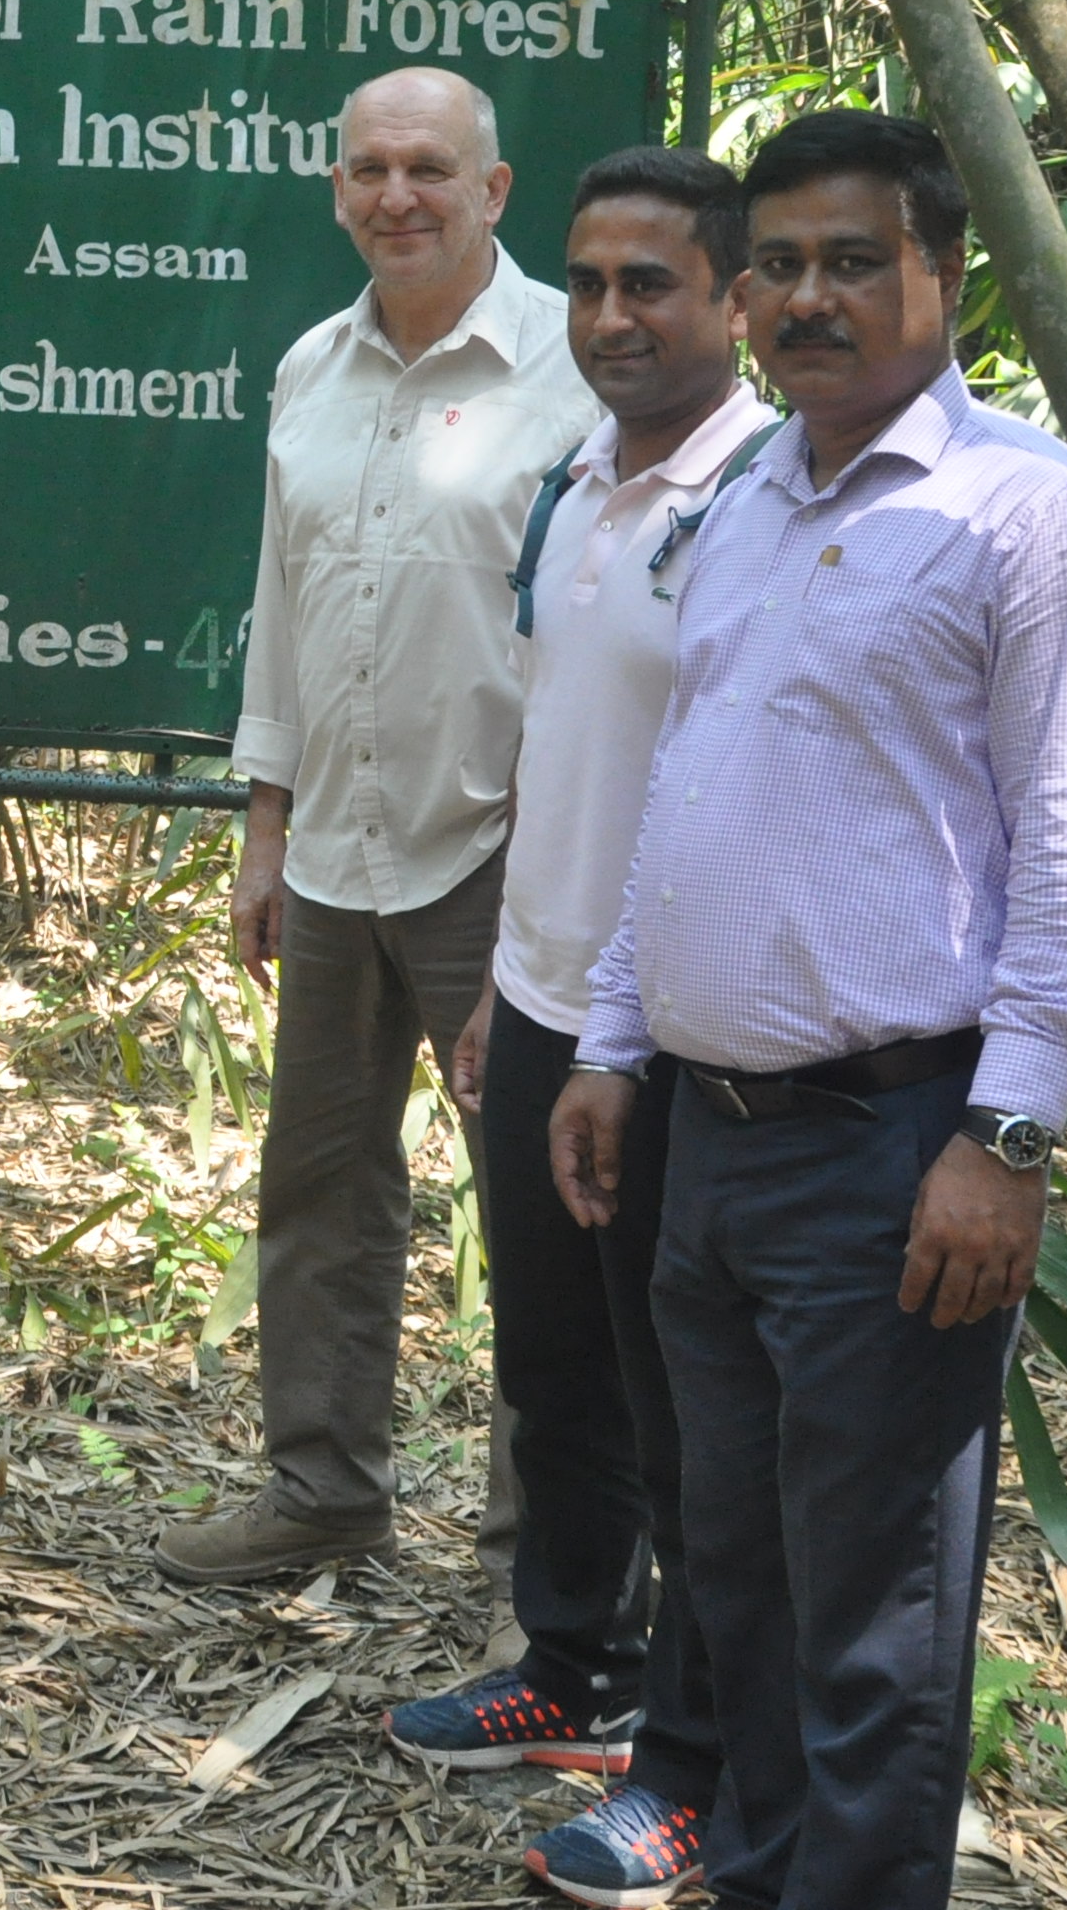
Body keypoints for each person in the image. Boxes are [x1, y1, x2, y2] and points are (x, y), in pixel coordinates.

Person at [554, 110, 1067, 1910]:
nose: (811, 298)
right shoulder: (753, 496)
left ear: (941, 278)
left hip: (898, 1146)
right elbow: (688, 785)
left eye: (854, 262)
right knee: (736, 1582)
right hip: (709, 1141)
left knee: (874, 1621)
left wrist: (1009, 1134)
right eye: (784, 267)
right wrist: (607, 1041)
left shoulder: (1014, 506)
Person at [382, 147, 771, 1909]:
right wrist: (501, 986)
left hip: (682, 1031)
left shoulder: (767, 498)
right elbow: (564, 752)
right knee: (554, 1368)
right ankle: (575, 1661)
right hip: (542, 996)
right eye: (593, 284)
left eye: (654, 286)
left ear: (734, 299)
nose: (613, 317)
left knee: (687, 1404)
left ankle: (697, 1767)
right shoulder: (574, 488)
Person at [158, 67, 596, 1589]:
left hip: (503, 846)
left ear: (495, 190)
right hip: (336, 843)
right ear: (337, 188)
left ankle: (541, 1555)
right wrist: (265, 825)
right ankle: (324, 1489)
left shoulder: (572, 368)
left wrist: (558, 879)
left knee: (542, 1212)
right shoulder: (310, 369)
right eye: (366, 169)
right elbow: (284, 603)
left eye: (428, 168)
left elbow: (593, 645)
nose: (394, 195)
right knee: (322, 1183)